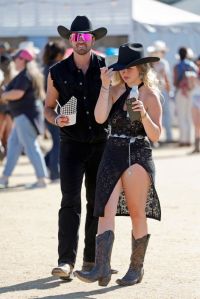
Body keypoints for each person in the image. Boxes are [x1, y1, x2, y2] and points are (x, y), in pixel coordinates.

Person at [74, 43, 162, 286]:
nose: (125, 72)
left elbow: (155, 135)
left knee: (136, 213)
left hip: (137, 154)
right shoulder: (114, 90)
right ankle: (101, 267)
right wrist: (104, 86)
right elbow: (100, 118)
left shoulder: (150, 95)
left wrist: (143, 114)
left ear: (142, 69)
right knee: (104, 209)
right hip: (112, 151)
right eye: (122, 68)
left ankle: (136, 269)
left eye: (130, 68)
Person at [44, 15, 112, 280]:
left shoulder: (107, 69)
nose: (80, 41)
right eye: (75, 37)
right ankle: (65, 261)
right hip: (71, 144)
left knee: (97, 203)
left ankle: (91, 259)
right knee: (69, 202)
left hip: (101, 144)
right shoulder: (57, 72)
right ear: (70, 40)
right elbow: (48, 108)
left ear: (93, 39)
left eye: (85, 37)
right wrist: (55, 119)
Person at [0, 49, 47, 189]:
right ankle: (4, 178)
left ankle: (41, 179)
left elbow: (18, 93)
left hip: (25, 117)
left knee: (31, 148)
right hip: (22, 117)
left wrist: (4, 95)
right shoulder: (24, 74)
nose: (14, 61)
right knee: (13, 146)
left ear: (23, 60)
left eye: (17, 58)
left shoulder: (25, 75)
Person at [42, 41, 66, 182]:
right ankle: (54, 174)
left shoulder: (45, 68)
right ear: (58, 54)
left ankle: (45, 162)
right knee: (58, 142)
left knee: (56, 141)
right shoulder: (54, 69)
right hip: (53, 110)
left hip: (46, 109)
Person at [147, 40, 173, 143]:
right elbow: (166, 79)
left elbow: (166, 79)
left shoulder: (151, 63)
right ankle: (161, 137)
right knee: (162, 114)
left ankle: (161, 138)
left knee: (159, 114)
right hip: (156, 91)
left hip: (157, 90)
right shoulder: (157, 63)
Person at [173, 47, 198, 146]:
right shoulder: (192, 65)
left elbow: (175, 82)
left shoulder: (177, 66)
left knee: (182, 116)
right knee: (189, 116)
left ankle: (183, 140)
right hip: (191, 92)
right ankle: (190, 139)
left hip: (180, 92)